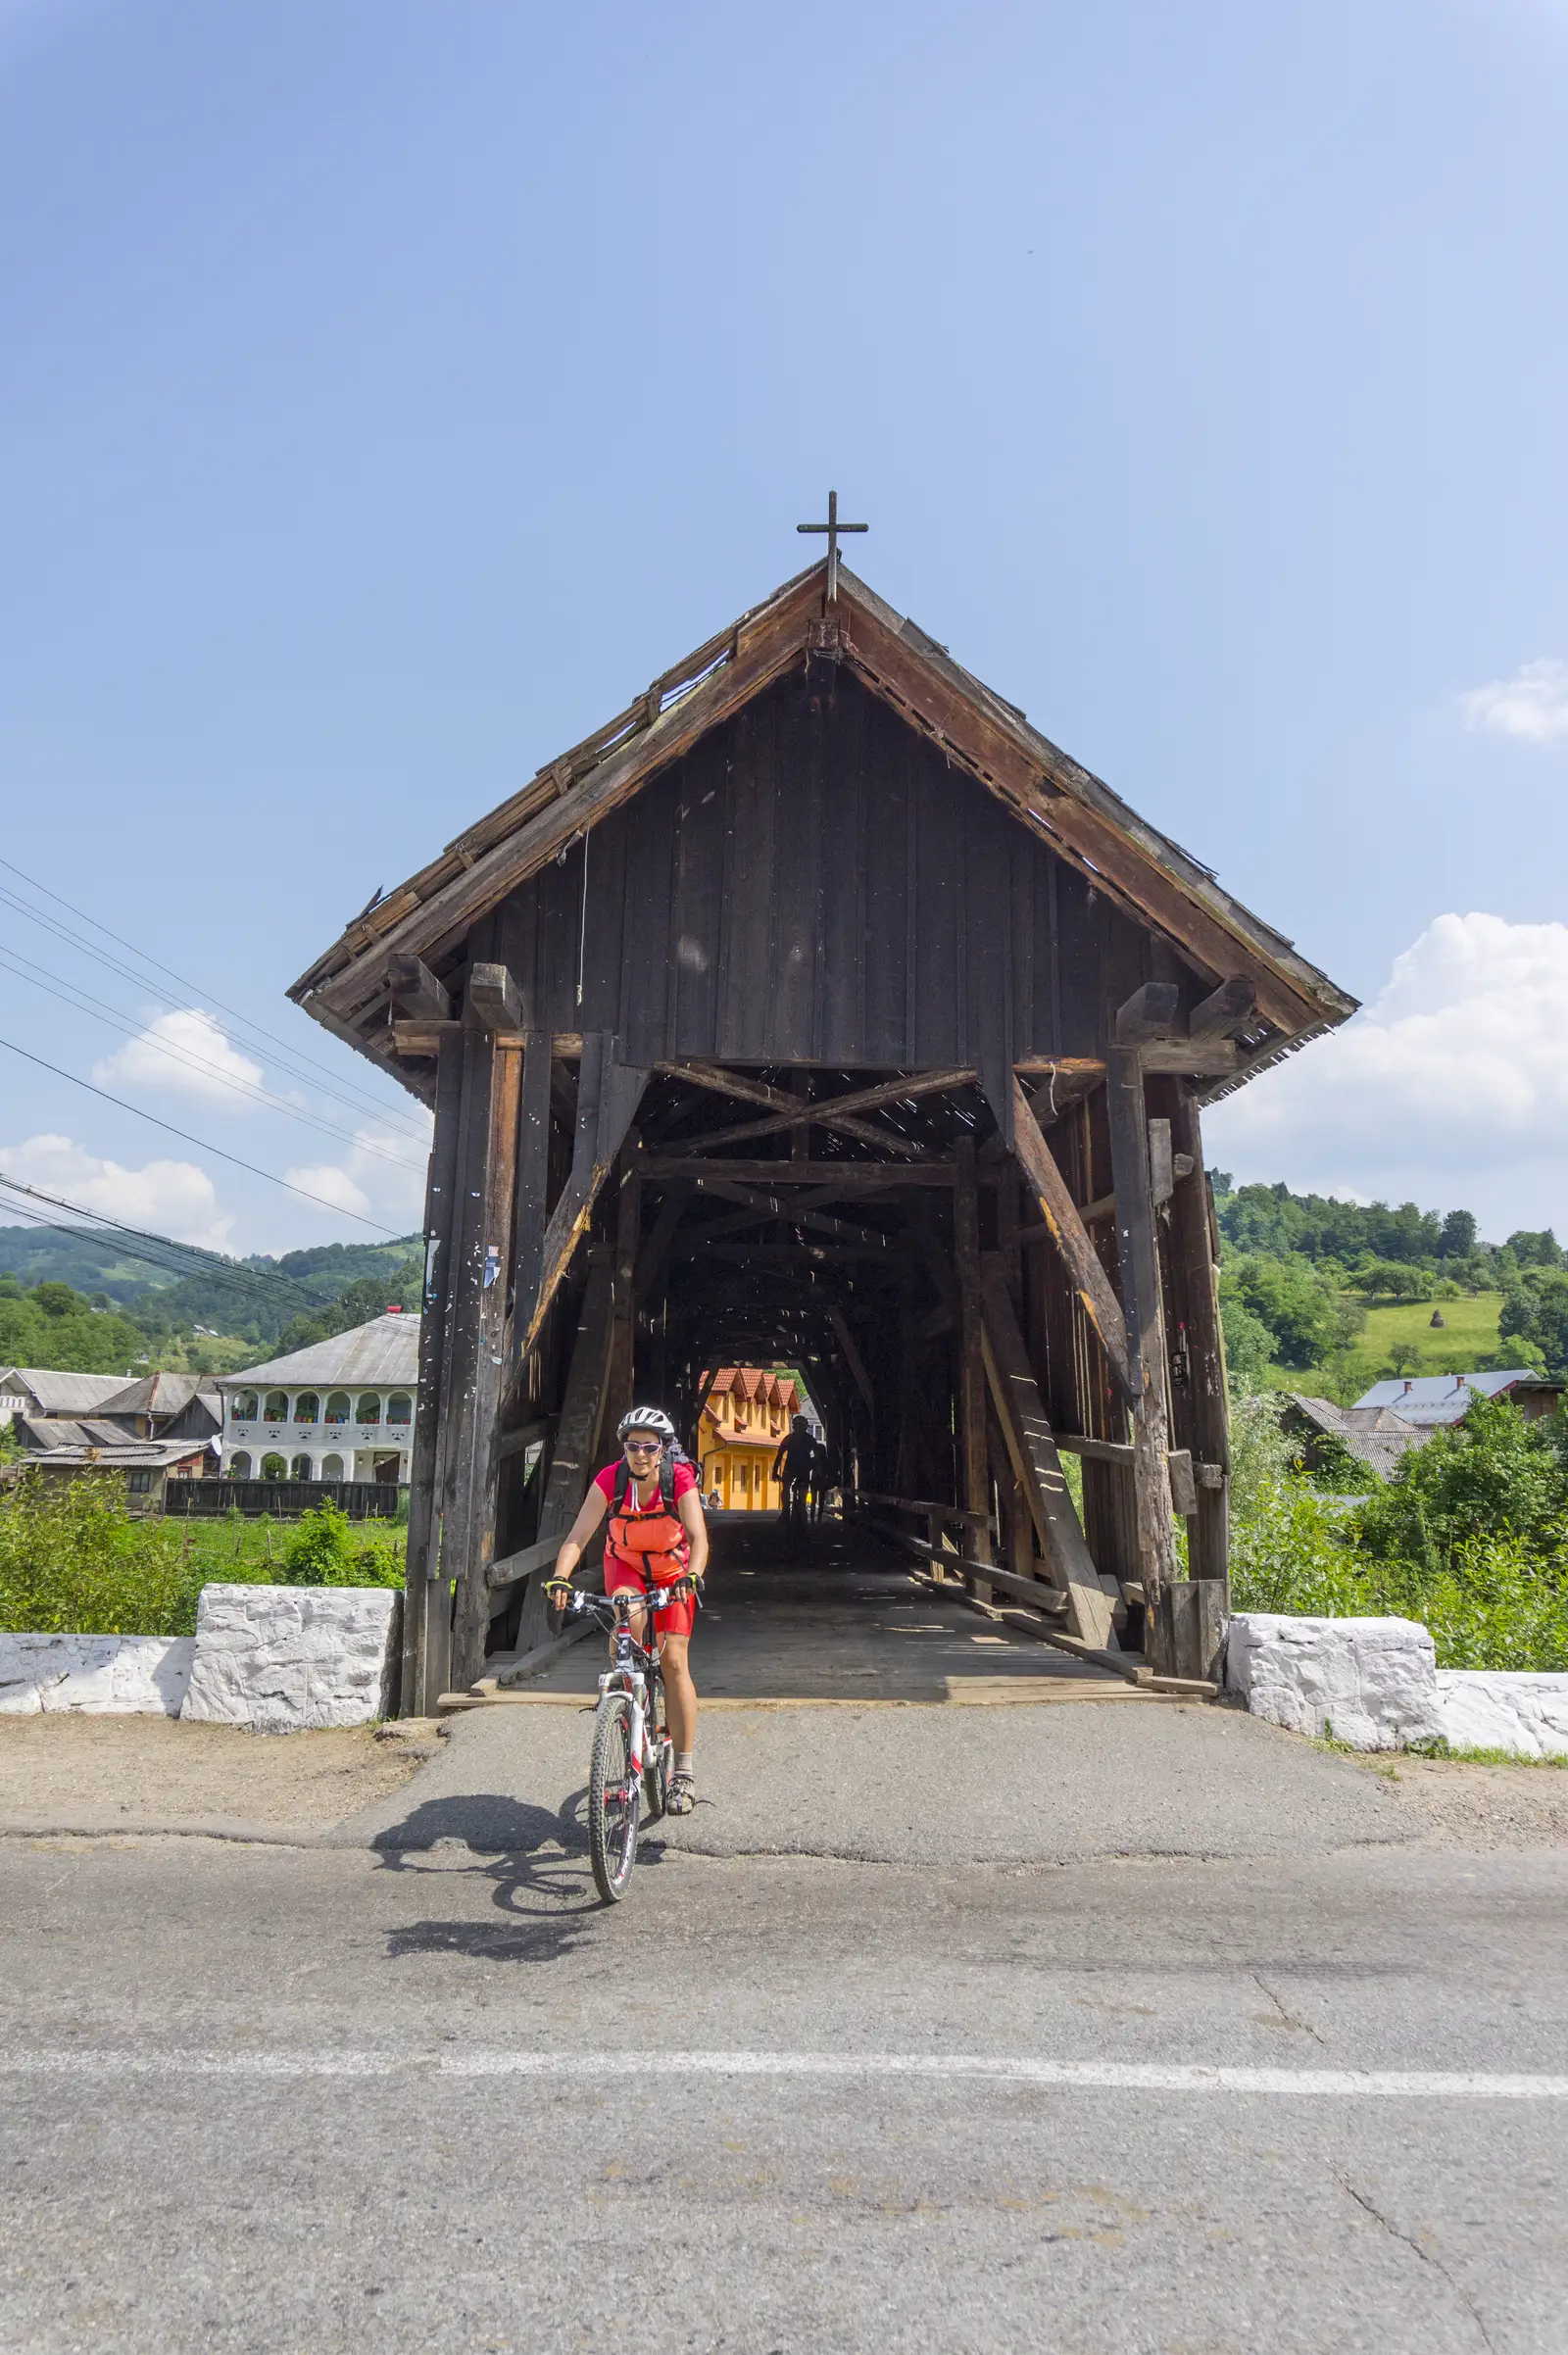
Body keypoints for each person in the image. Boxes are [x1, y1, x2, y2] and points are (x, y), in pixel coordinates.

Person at [546, 1405, 709, 1816]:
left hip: (674, 1571)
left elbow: (698, 1537)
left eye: (649, 1447)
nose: (640, 1454)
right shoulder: (610, 1480)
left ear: (662, 1450)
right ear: (624, 1448)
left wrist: (692, 1574)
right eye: (632, 1445)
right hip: (626, 1565)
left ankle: (684, 1773)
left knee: (674, 1662)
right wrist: (561, 1576)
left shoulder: (679, 1479)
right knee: (628, 1624)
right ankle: (627, 1701)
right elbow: (577, 1536)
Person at [772, 1412, 815, 1534]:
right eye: (797, 1426)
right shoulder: (803, 1439)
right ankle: (786, 1510)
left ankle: (798, 1508)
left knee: (799, 1491)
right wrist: (774, 1471)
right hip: (793, 1468)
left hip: (801, 1469)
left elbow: (818, 1454)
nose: (799, 1429)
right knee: (786, 1487)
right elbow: (780, 1455)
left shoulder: (795, 1439)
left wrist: (775, 1471)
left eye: (801, 1427)